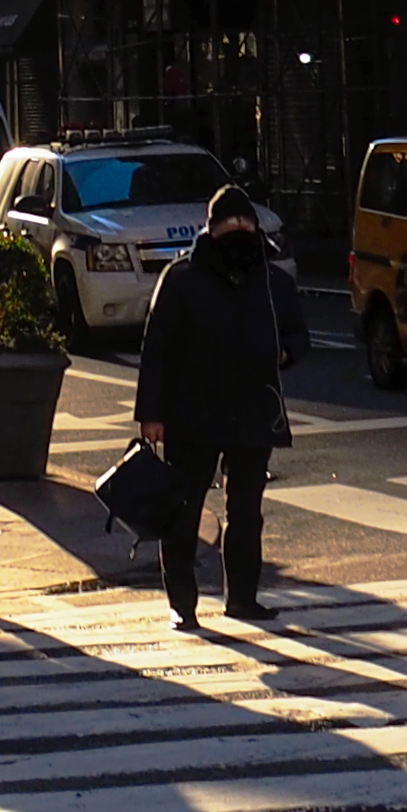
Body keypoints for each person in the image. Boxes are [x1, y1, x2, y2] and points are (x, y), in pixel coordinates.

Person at [134, 180, 291, 629]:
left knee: (246, 512)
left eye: (246, 222)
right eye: (231, 223)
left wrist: (285, 352)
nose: (240, 230)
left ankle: (243, 598)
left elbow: (296, 333)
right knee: (183, 511)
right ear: (212, 229)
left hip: (252, 411)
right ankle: (182, 604)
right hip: (192, 415)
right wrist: (152, 415)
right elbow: (157, 347)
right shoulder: (182, 278)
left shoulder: (269, 278)